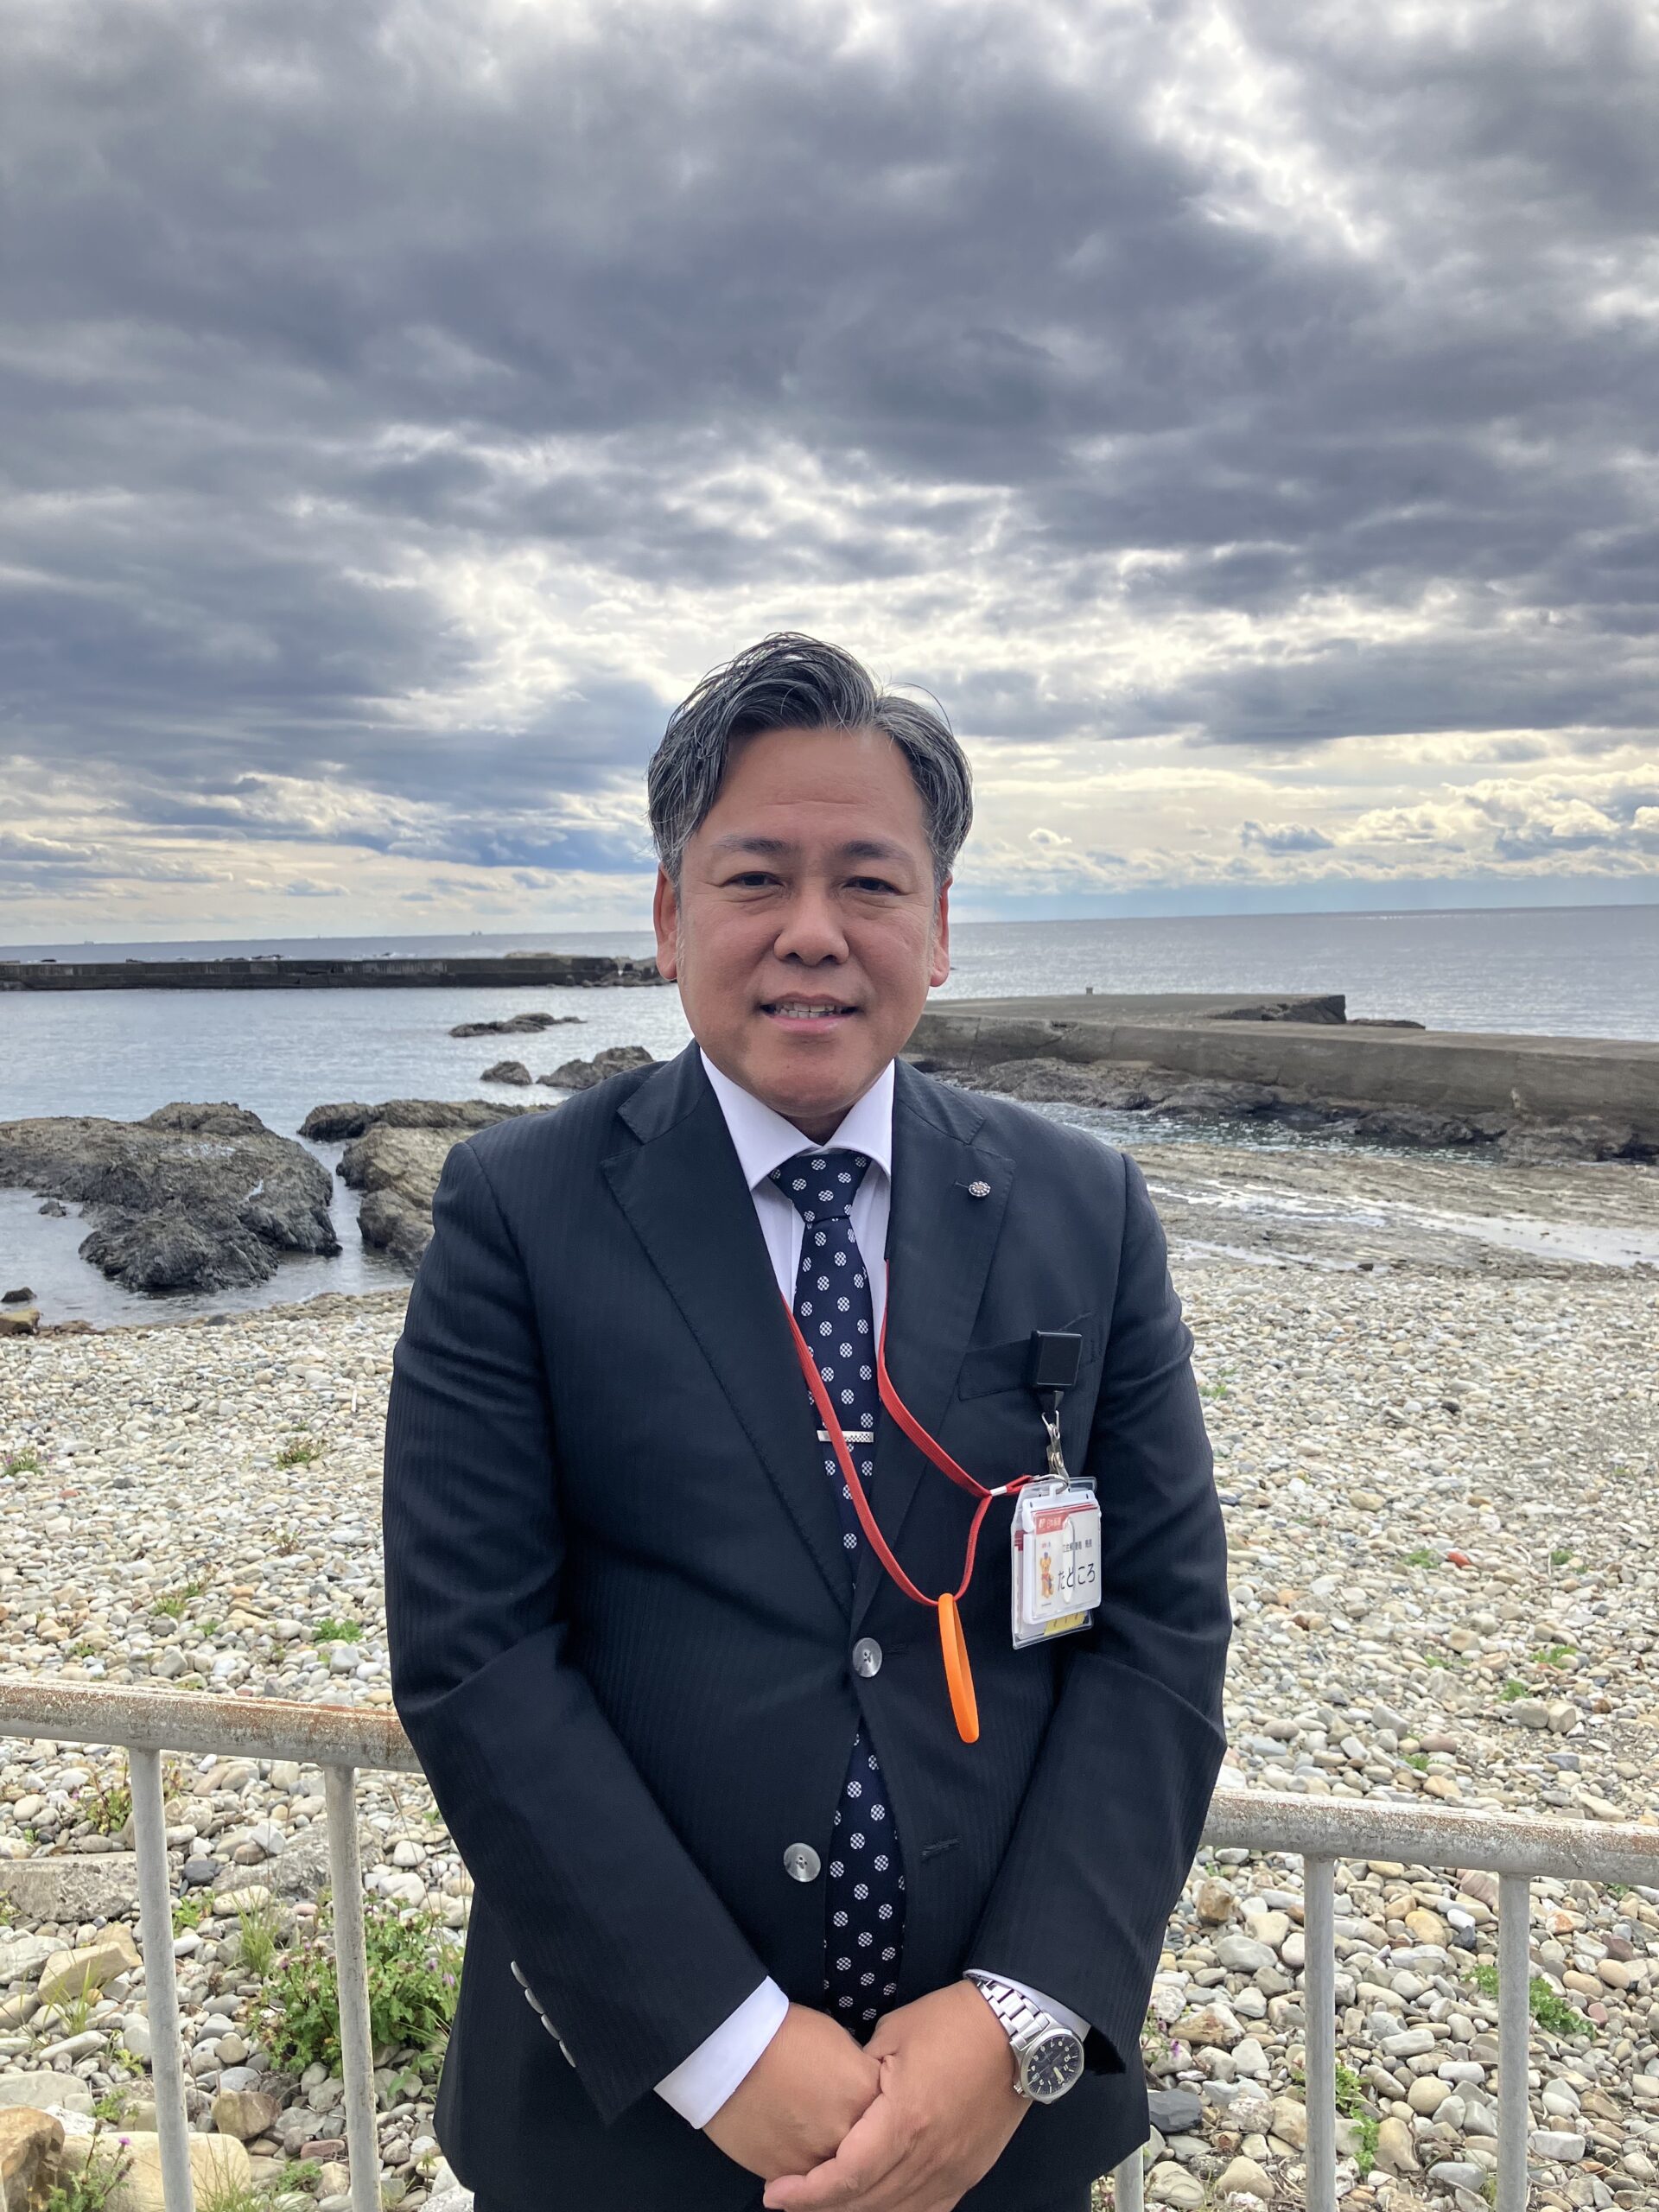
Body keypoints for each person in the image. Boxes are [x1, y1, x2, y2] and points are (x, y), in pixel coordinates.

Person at [383, 633, 1230, 2212]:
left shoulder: (1084, 1206)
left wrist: (1021, 2014)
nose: (814, 934)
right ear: (669, 917)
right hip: (624, 2118)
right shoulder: (520, 1209)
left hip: (991, 2125)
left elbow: (1162, 1632)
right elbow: (473, 1655)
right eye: (756, 878)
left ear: (941, 926)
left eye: (870, 883)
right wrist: (718, 2043)